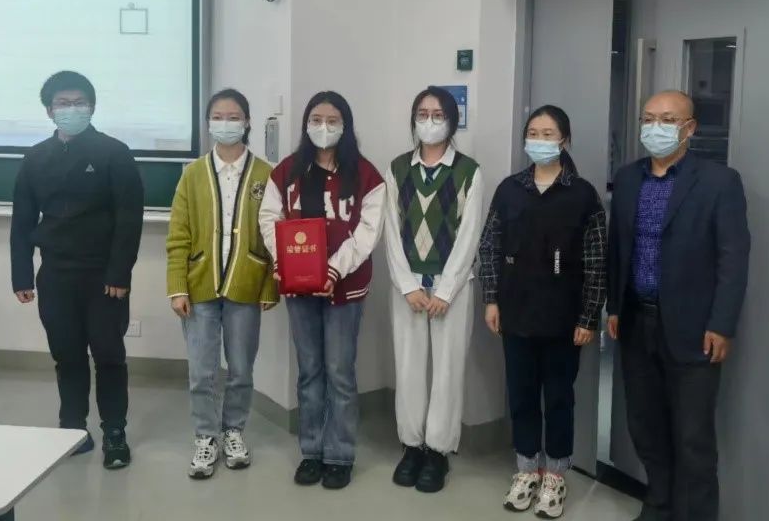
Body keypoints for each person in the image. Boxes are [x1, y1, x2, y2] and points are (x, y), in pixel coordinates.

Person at [607, 90, 750, 521]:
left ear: (690, 128)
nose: (656, 127)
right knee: (646, 427)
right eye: (649, 118)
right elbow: (618, 248)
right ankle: (658, 504)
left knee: (693, 439)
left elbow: (733, 258)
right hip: (637, 322)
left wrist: (722, 324)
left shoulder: (719, 182)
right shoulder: (628, 179)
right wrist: (614, 307)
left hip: (695, 329)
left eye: (668, 120)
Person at [10, 70, 143, 469]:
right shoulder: (35, 158)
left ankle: (115, 433)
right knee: (66, 355)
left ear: (92, 107)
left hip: (103, 277)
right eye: (63, 104)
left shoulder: (114, 153)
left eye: (79, 103)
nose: (72, 109)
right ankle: (72, 430)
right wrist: (21, 275)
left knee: (109, 355)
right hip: (55, 275)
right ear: (49, 111)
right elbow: (22, 221)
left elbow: (129, 219)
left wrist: (119, 273)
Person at [478, 105, 606, 519]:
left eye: (548, 133)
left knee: (559, 398)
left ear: (564, 140)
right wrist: (491, 299)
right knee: (521, 394)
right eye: (533, 132)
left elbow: (596, 261)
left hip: (564, 319)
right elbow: (490, 246)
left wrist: (589, 316)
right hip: (516, 312)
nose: (539, 140)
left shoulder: (583, 195)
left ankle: (555, 475)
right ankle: (526, 469)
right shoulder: (510, 189)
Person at [258, 91, 385, 490]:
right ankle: (311, 451)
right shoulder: (286, 172)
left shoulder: (366, 175)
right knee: (310, 371)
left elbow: (368, 233)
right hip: (299, 290)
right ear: (305, 124)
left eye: (332, 120)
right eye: (316, 119)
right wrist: (285, 261)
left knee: (340, 373)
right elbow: (269, 219)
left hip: (345, 290)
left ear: (345, 126)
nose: (323, 127)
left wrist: (333, 268)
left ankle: (340, 455)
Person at [166, 88, 278, 479]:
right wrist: (178, 286)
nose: (225, 123)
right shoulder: (192, 173)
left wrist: (270, 286)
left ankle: (233, 431)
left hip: (246, 286)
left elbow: (274, 235)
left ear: (247, 122)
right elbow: (178, 234)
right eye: (218, 116)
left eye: (233, 116)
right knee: (202, 371)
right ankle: (205, 436)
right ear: (208, 122)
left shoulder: (266, 174)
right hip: (199, 288)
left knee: (241, 368)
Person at [383, 87, 484, 493]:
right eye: (422, 113)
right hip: (407, 288)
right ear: (413, 120)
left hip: (451, 289)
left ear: (452, 120)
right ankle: (411, 446)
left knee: (447, 370)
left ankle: (438, 452)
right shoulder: (397, 169)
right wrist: (408, 285)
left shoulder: (469, 171)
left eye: (438, 114)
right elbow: (391, 231)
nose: (429, 121)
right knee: (408, 367)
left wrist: (446, 290)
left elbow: (470, 234)